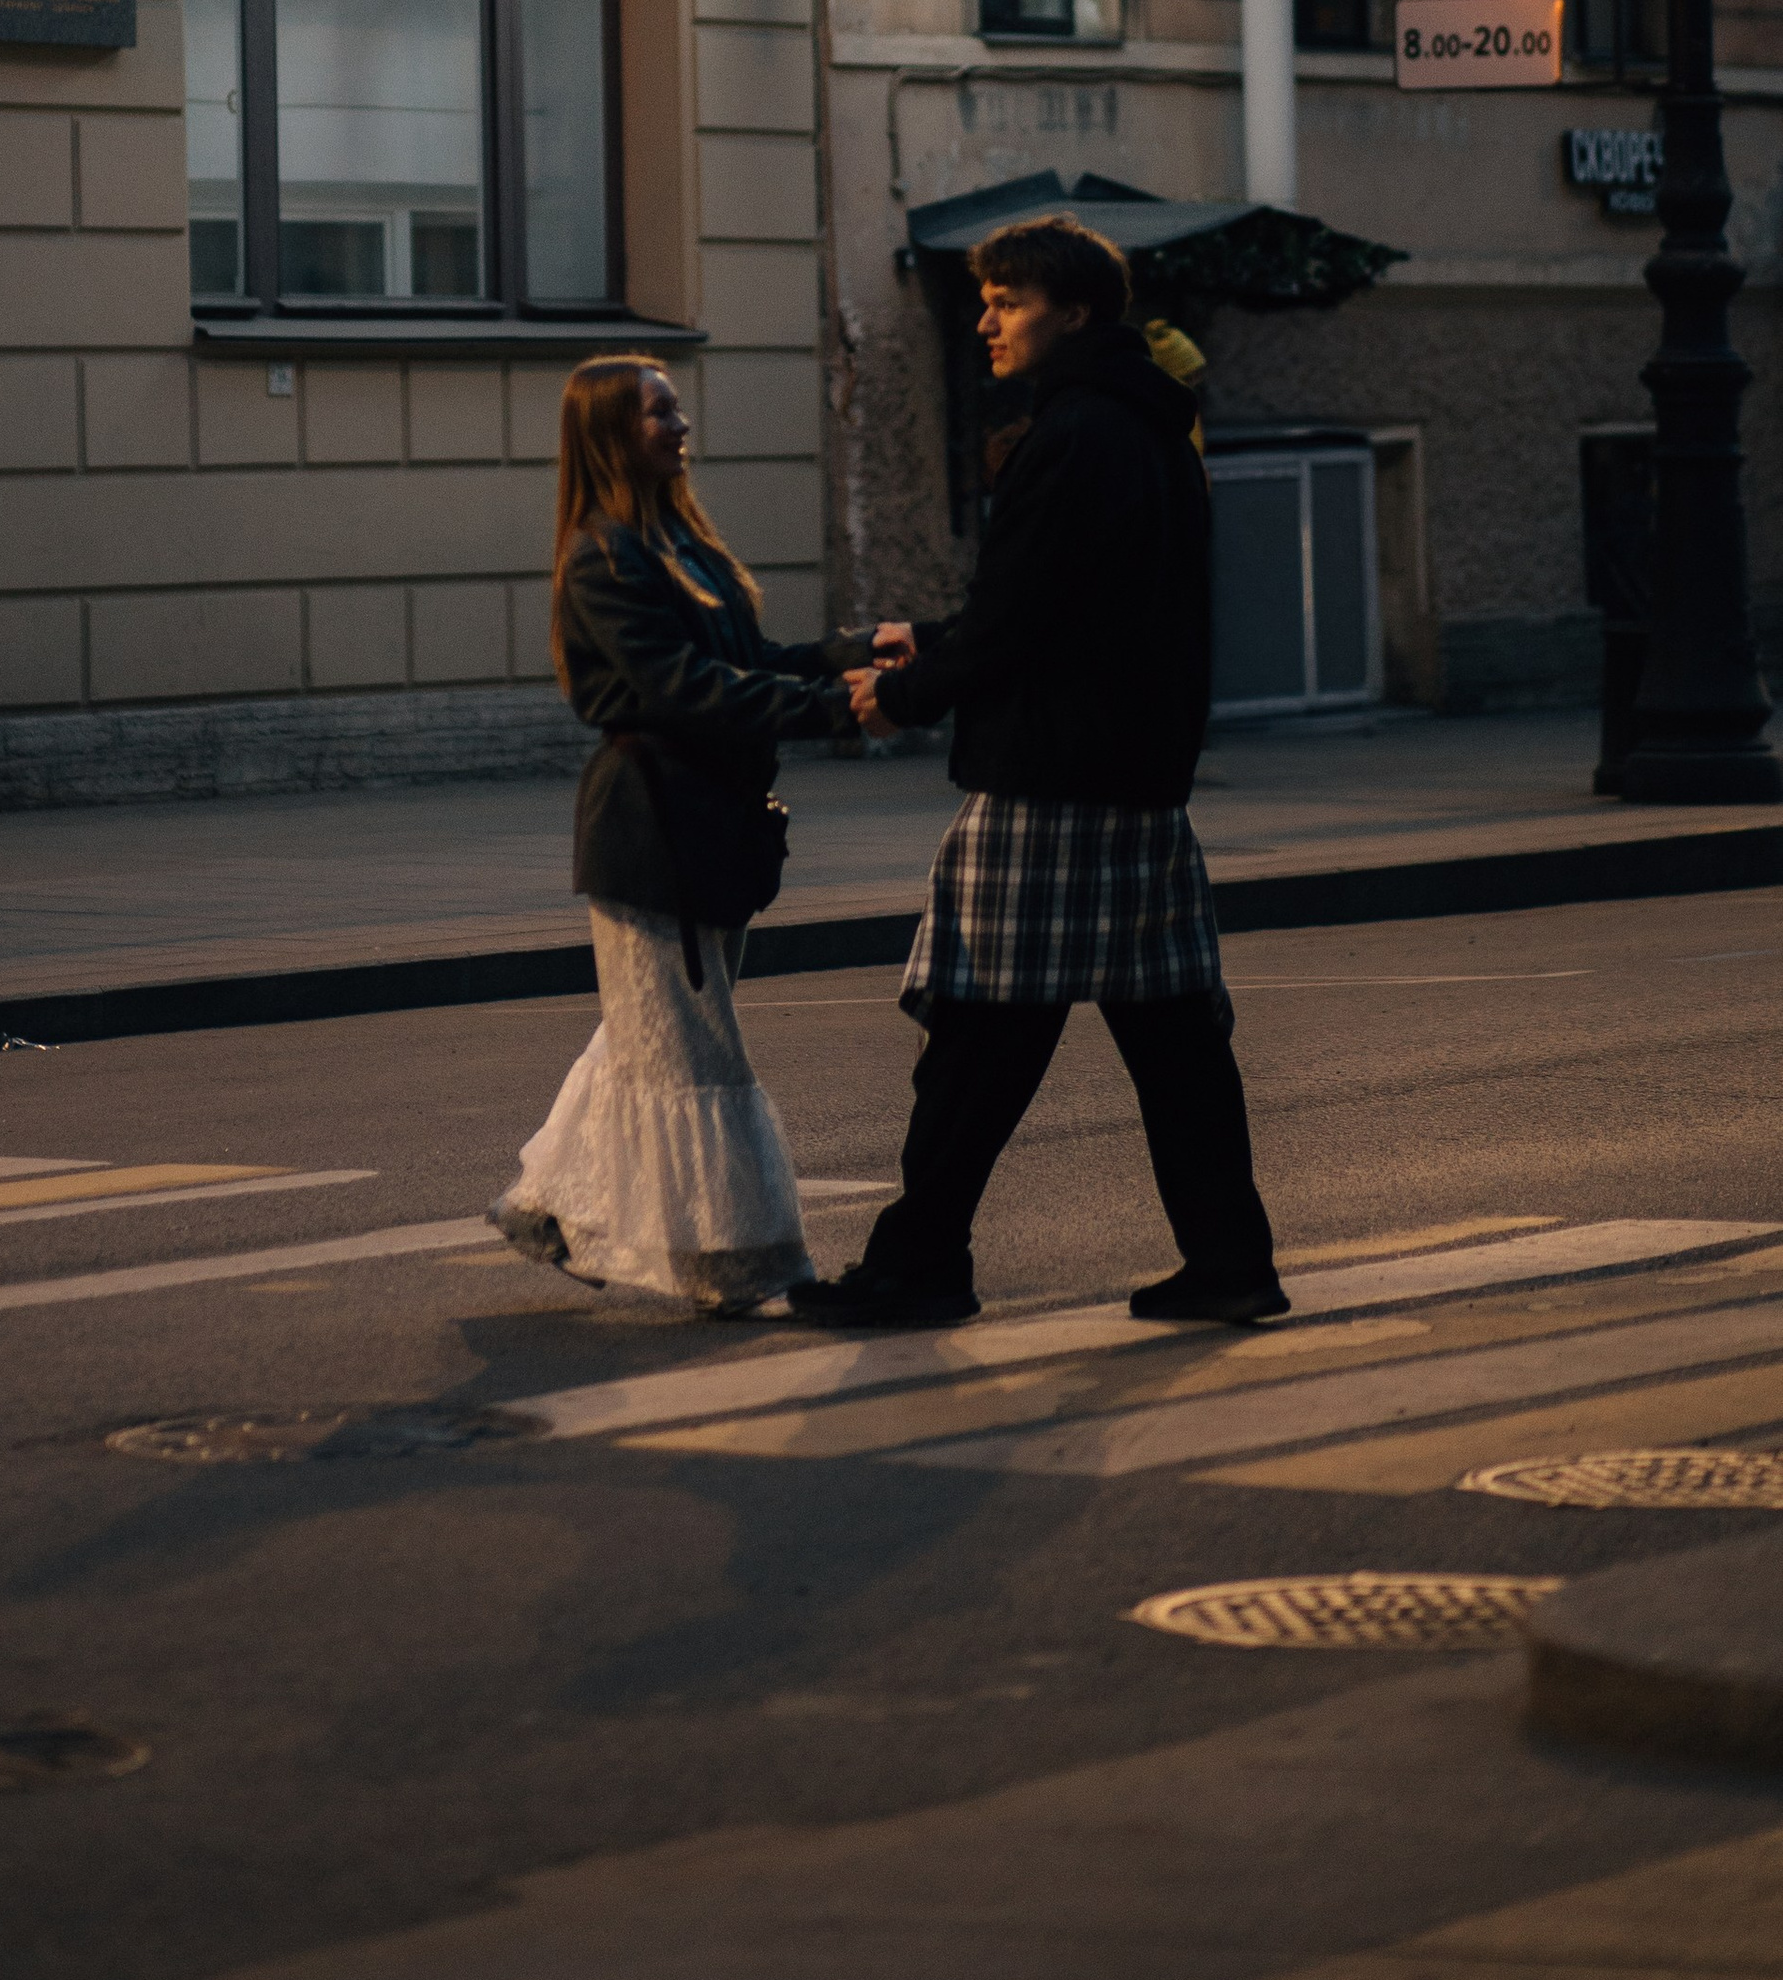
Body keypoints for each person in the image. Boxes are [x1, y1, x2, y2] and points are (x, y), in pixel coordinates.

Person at [790, 215, 1286, 1335]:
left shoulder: (1073, 434)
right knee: (1171, 1040)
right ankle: (1229, 1262)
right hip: (1134, 780)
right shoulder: (1150, 427)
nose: (986, 322)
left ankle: (920, 1264)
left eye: (1007, 302)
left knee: (978, 1034)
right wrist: (933, 637)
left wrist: (908, 694)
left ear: (1074, 311)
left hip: (1052, 780)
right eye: (985, 301)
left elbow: (1024, 614)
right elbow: (1075, 604)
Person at [491, 355, 855, 1315]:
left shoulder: (678, 544)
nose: (679, 425)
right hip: (651, 829)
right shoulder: (602, 558)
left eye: (677, 408)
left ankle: (548, 1208)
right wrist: (833, 711)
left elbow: (746, 660)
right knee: (696, 1053)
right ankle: (739, 1263)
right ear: (611, 432)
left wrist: (847, 658)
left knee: (651, 1037)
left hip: (712, 824)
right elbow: (684, 689)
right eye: (658, 412)